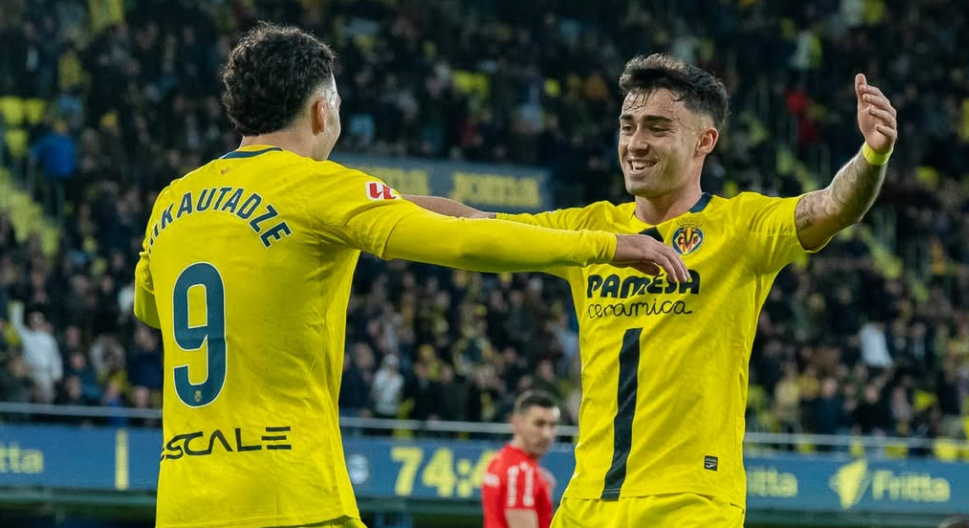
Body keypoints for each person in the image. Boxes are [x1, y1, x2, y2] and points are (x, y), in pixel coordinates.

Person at [133, 24, 685, 528]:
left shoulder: (172, 201)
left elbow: (150, 310)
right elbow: (464, 243)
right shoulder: (320, 188)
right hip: (289, 498)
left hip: (182, 503)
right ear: (322, 111)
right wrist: (605, 244)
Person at [410, 53, 898, 527]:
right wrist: (369, 202)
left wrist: (873, 154)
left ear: (705, 141)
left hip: (689, 503)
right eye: (628, 127)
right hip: (587, 502)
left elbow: (832, 206)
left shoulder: (741, 227)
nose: (635, 143)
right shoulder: (589, 230)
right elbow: (474, 225)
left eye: (657, 128)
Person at [482, 391, 560, 528]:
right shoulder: (522, 472)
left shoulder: (499, 459)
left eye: (552, 425)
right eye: (539, 424)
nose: (547, 434)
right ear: (517, 423)